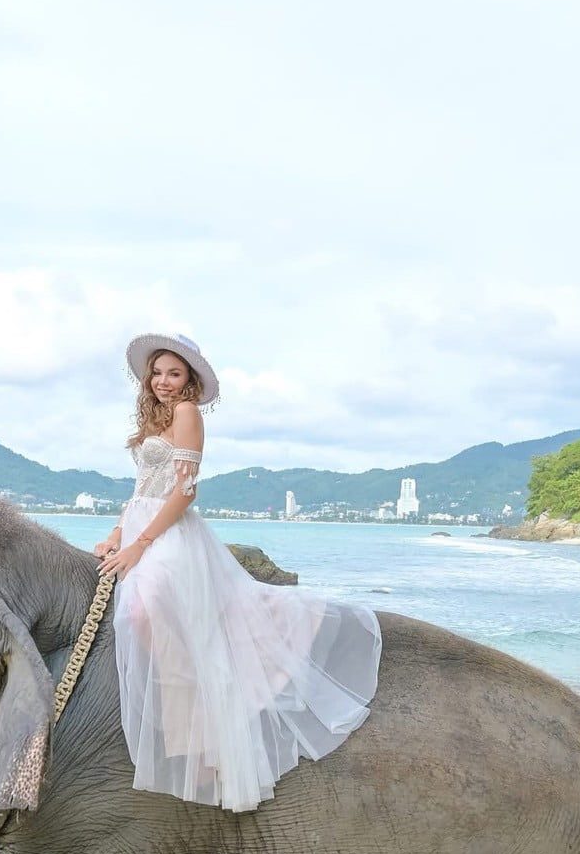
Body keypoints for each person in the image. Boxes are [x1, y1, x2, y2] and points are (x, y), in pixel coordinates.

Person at [95, 333, 381, 814]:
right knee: (141, 617)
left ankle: (202, 730)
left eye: (175, 374)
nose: (164, 382)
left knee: (147, 615)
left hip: (170, 537)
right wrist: (116, 534)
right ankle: (185, 724)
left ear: (189, 382)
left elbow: (184, 493)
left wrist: (141, 546)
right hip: (143, 527)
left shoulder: (187, 414)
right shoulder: (153, 418)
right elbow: (144, 487)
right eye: (158, 373)